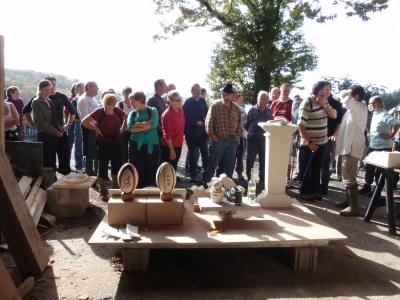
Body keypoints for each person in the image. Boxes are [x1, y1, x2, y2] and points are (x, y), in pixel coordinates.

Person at [23, 76, 78, 175]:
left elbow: (67, 113)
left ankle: (64, 177)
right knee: (48, 161)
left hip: (58, 132)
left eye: (52, 85)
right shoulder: (36, 101)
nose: (50, 89)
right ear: (40, 89)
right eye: (47, 88)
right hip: (47, 134)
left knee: (64, 156)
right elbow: (32, 116)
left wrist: (65, 126)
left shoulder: (54, 99)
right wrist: (32, 124)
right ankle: (50, 182)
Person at [81, 93, 127, 201]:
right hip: (103, 142)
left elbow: (127, 118)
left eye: (112, 102)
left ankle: (115, 189)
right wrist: (96, 129)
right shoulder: (99, 111)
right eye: (108, 102)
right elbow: (84, 122)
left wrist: (123, 128)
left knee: (117, 164)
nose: (110, 105)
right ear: (104, 102)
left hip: (117, 141)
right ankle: (103, 190)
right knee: (103, 165)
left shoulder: (117, 110)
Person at [297, 81, 337, 201]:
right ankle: (304, 192)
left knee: (317, 168)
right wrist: (310, 142)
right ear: (318, 90)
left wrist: (324, 105)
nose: (328, 91)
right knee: (306, 169)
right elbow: (301, 125)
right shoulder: (307, 102)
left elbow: (334, 115)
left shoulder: (325, 102)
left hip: (322, 142)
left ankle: (314, 191)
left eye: (329, 89)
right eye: (326, 89)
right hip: (308, 144)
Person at [335, 85, 368, 216]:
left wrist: (346, 92)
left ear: (356, 96)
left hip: (352, 146)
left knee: (349, 176)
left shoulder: (360, 106)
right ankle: (348, 201)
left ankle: (354, 207)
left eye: (350, 93)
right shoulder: (354, 108)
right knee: (346, 175)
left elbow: (346, 100)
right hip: (347, 145)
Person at [358, 96, 400, 195]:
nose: (371, 105)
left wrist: (391, 135)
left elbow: (397, 124)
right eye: (370, 103)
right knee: (368, 167)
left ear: (379, 104)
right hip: (373, 145)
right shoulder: (376, 113)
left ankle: (376, 192)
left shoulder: (384, 114)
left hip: (384, 147)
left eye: (373, 103)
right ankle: (367, 186)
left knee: (379, 171)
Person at [203, 83, 242, 185]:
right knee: (212, 165)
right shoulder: (215, 106)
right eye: (234, 94)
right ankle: (206, 187)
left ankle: (225, 188)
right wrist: (214, 137)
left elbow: (240, 123)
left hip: (232, 141)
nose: (236, 96)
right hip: (219, 140)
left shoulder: (236, 108)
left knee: (228, 168)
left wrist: (237, 136)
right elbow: (208, 123)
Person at [127, 91, 160, 188]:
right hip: (136, 145)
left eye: (132, 101)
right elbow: (130, 127)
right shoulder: (132, 113)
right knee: (137, 169)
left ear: (140, 100)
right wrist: (147, 125)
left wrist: (138, 125)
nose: (131, 104)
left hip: (152, 145)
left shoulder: (153, 110)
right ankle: (138, 192)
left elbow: (154, 123)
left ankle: (149, 192)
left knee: (150, 169)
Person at [31, 80, 63, 170]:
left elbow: (54, 118)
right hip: (45, 135)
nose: (48, 92)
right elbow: (40, 122)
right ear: (40, 89)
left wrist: (60, 129)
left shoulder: (49, 100)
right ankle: (46, 182)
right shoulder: (36, 102)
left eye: (49, 90)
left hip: (53, 135)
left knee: (52, 160)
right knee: (46, 161)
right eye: (45, 90)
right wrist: (56, 132)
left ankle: (52, 179)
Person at [319, 87, 344, 195]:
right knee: (315, 164)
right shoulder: (315, 100)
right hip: (314, 137)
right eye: (324, 90)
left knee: (325, 164)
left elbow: (339, 121)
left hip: (328, 137)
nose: (326, 92)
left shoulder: (336, 104)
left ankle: (323, 188)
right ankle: (313, 187)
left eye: (328, 90)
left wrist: (335, 134)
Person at [245, 90, 273, 183]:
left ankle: (262, 178)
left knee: (263, 160)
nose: (263, 101)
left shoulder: (269, 111)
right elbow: (246, 124)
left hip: (264, 139)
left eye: (265, 99)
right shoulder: (251, 110)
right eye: (261, 99)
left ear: (267, 100)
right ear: (257, 98)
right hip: (252, 139)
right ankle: (249, 177)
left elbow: (271, 125)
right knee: (250, 159)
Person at [183, 83, 209, 183]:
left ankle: (206, 175)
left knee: (205, 155)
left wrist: (205, 118)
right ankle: (193, 175)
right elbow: (185, 117)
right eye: (196, 90)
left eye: (199, 90)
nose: (198, 92)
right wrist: (195, 122)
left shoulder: (203, 101)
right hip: (191, 133)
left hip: (202, 133)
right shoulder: (188, 102)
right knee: (193, 156)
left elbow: (207, 112)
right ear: (192, 91)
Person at [77, 81, 99, 176]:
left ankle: (95, 174)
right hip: (89, 130)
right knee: (90, 153)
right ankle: (90, 175)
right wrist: (94, 129)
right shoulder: (83, 100)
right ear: (89, 88)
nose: (98, 89)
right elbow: (84, 119)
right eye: (96, 87)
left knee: (96, 153)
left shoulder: (93, 99)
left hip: (95, 129)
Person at [161, 90, 185, 170]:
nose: (181, 101)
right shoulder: (167, 114)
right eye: (178, 100)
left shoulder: (181, 110)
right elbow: (167, 134)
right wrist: (171, 150)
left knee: (174, 167)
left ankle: (173, 181)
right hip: (169, 147)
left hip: (178, 144)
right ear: (170, 102)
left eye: (180, 99)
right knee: (167, 169)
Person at [66, 82, 85, 172]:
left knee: (80, 146)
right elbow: (72, 114)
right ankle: (77, 167)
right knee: (74, 145)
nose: (84, 89)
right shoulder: (74, 100)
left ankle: (80, 166)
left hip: (82, 124)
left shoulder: (85, 98)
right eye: (83, 88)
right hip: (76, 124)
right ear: (77, 89)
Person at [118, 86, 134, 164]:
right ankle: (123, 167)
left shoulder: (134, 103)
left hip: (133, 131)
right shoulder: (120, 104)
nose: (127, 94)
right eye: (126, 92)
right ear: (123, 93)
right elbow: (117, 117)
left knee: (132, 150)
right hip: (123, 130)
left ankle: (131, 168)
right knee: (123, 150)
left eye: (129, 92)